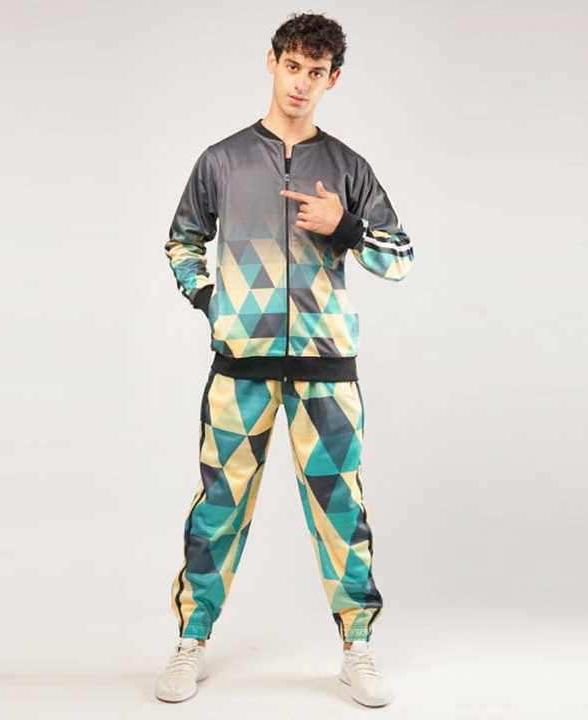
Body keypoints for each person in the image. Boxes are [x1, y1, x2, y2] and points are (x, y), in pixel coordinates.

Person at [155, 11, 414, 707]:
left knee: (341, 512)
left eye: (316, 72)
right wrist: (211, 302)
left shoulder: (348, 168)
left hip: (327, 373)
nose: (301, 83)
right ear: (272, 62)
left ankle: (357, 648)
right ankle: (191, 641)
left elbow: (400, 258)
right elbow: (182, 241)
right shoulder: (222, 161)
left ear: (334, 79)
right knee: (218, 507)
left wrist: (345, 226)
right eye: (292, 66)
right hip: (240, 369)